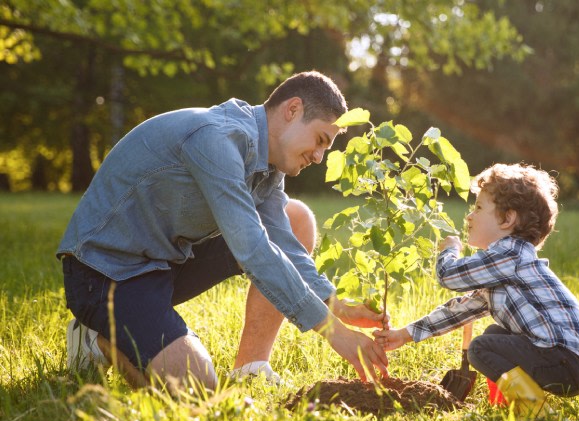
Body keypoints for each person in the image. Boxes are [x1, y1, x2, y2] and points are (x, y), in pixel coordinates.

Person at [58, 71, 389, 391]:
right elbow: (253, 249)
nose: (318, 157)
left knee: (295, 218)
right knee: (197, 387)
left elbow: (282, 242)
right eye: (320, 140)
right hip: (105, 273)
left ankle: (251, 368)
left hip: (163, 262)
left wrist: (335, 303)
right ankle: (97, 339)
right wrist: (333, 331)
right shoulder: (217, 139)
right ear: (292, 110)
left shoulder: (268, 166)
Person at [374, 163, 579, 417]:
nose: (469, 216)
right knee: (494, 334)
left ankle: (535, 412)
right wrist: (405, 334)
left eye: (478, 208)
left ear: (507, 219)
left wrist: (450, 250)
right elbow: (460, 311)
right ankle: (511, 404)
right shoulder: (505, 268)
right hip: (569, 362)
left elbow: (449, 276)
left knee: (481, 348)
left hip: (563, 359)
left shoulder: (510, 253)